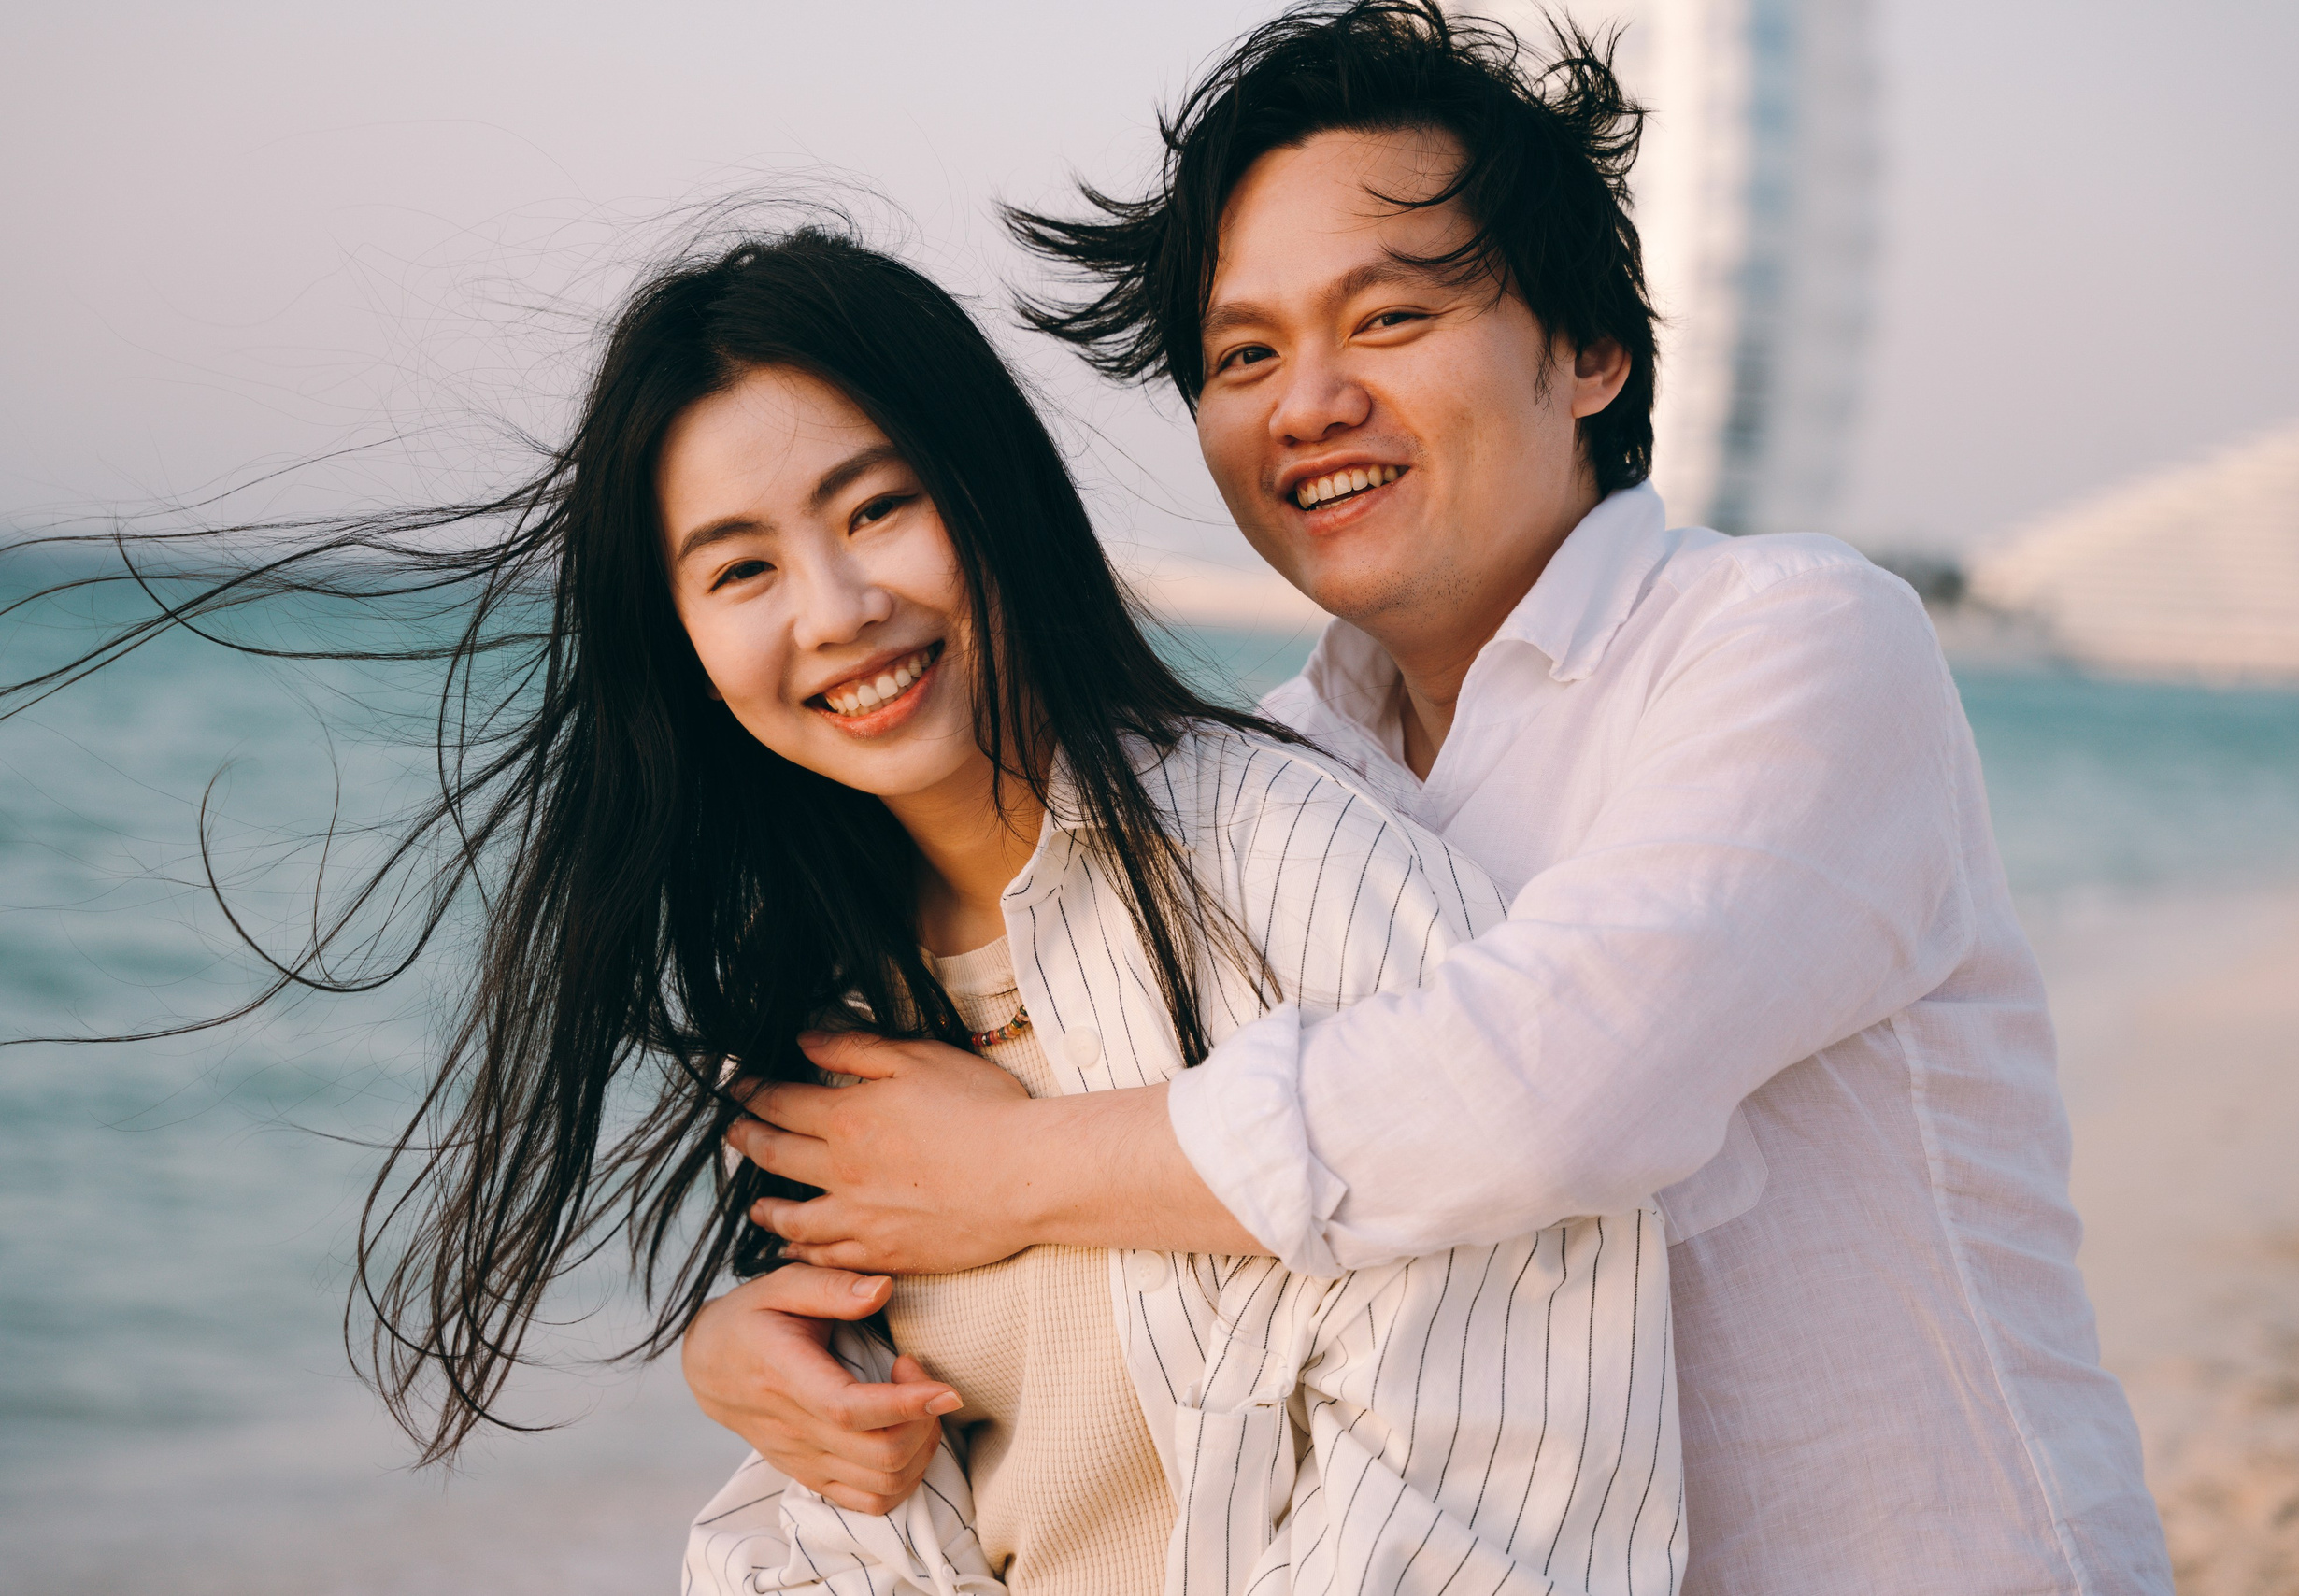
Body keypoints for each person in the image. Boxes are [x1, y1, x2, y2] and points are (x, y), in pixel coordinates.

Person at [684, 6, 2175, 1593]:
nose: (1306, 403)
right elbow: (1144, 1303)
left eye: (1387, 320)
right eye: (1244, 354)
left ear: (1590, 349)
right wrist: (766, 1352)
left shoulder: (1791, 645)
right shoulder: (1261, 789)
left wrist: (1008, 1170)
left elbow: (1553, 1086)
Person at [5, 223, 1684, 1591]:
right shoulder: (832, 1024)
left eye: (878, 507)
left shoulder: (1290, 871)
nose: (837, 610)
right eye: (739, 568)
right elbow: (846, 1532)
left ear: (993, 493)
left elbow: (1509, 1475)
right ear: (682, 644)